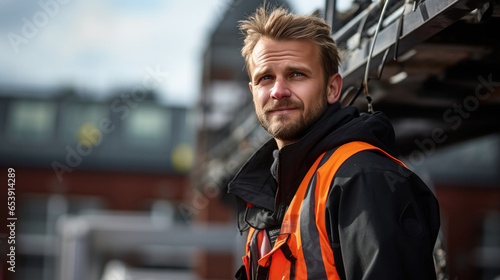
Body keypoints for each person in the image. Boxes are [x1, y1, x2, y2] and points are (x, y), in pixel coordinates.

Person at [227, 5, 441, 280]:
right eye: (265, 78)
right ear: (253, 91)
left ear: (332, 88)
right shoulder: (269, 195)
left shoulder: (364, 179)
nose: (278, 91)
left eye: (296, 74)